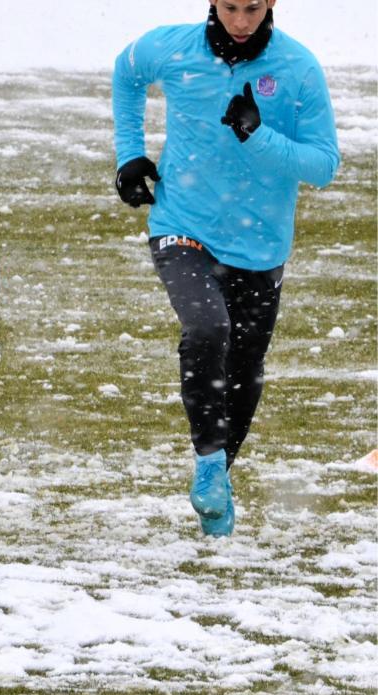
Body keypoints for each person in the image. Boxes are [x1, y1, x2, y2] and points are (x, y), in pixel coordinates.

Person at [112, 0, 339, 536]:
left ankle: (216, 478)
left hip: (261, 246)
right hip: (182, 223)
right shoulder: (169, 47)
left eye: (253, 8)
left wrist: (257, 136)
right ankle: (210, 460)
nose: (241, 21)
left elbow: (324, 164)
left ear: (273, 4)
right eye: (231, 6)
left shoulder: (298, 68)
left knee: (245, 373)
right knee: (206, 327)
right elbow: (126, 73)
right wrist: (129, 154)